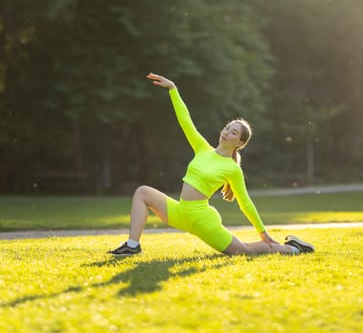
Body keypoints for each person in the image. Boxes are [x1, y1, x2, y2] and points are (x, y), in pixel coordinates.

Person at [108, 73, 314, 256]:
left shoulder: (232, 169)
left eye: (234, 132)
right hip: (181, 212)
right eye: (227, 128)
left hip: (201, 219)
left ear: (240, 143)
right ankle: (132, 245)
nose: (227, 132)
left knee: (244, 251)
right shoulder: (203, 148)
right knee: (142, 192)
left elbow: (245, 203)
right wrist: (173, 89)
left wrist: (262, 231)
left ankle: (294, 248)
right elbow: (185, 121)